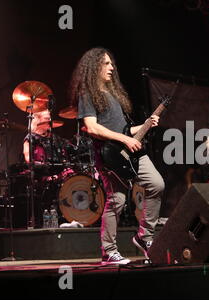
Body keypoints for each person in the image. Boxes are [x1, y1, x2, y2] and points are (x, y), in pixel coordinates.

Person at [70, 47, 165, 265]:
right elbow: (92, 128)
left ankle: (144, 236)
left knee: (157, 184)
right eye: (106, 64)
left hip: (129, 153)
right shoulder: (88, 94)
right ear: (94, 67)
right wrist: (124, 140)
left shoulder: (114, 95)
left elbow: (126, 131)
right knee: (117, 200)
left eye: (112, 63)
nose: (112, 67)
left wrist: (146, 125)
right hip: (109, 155)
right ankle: (109, 252)